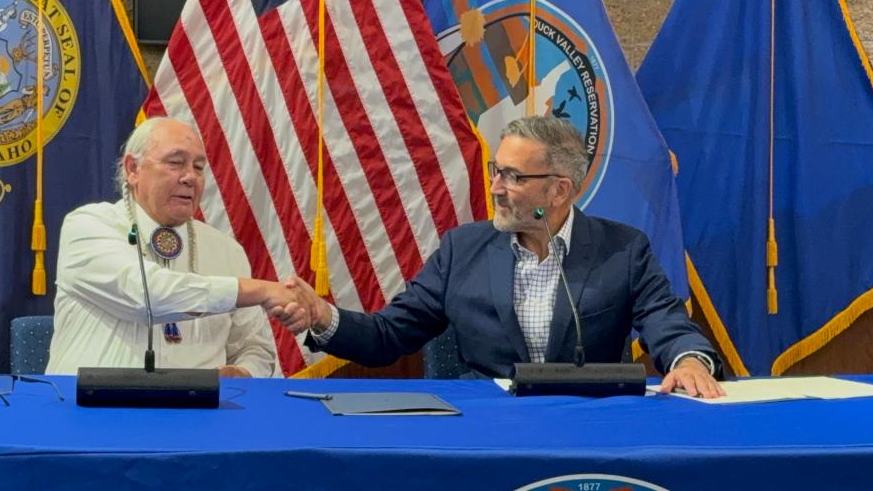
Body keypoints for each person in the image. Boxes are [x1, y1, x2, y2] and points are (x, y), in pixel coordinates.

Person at [282, 116, 725, 398]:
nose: (494, 187)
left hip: (589, 429)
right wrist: (324, 317)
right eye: (497, 170)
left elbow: (668, 324)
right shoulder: (462, 249)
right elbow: (388, 335)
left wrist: (688, 360)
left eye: (512, 176)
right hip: (487, 432)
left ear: (559, 190)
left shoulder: (623, 249)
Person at [46, 117, 310, 377]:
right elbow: (146, 296)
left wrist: (243, 372)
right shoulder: (88, 225)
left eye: (198, 167)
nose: (190, 178)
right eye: (175, 163)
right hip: (92, 410)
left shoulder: (227, 250)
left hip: (199, 413)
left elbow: (255, 347)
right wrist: (262, 289)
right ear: (132, 169)